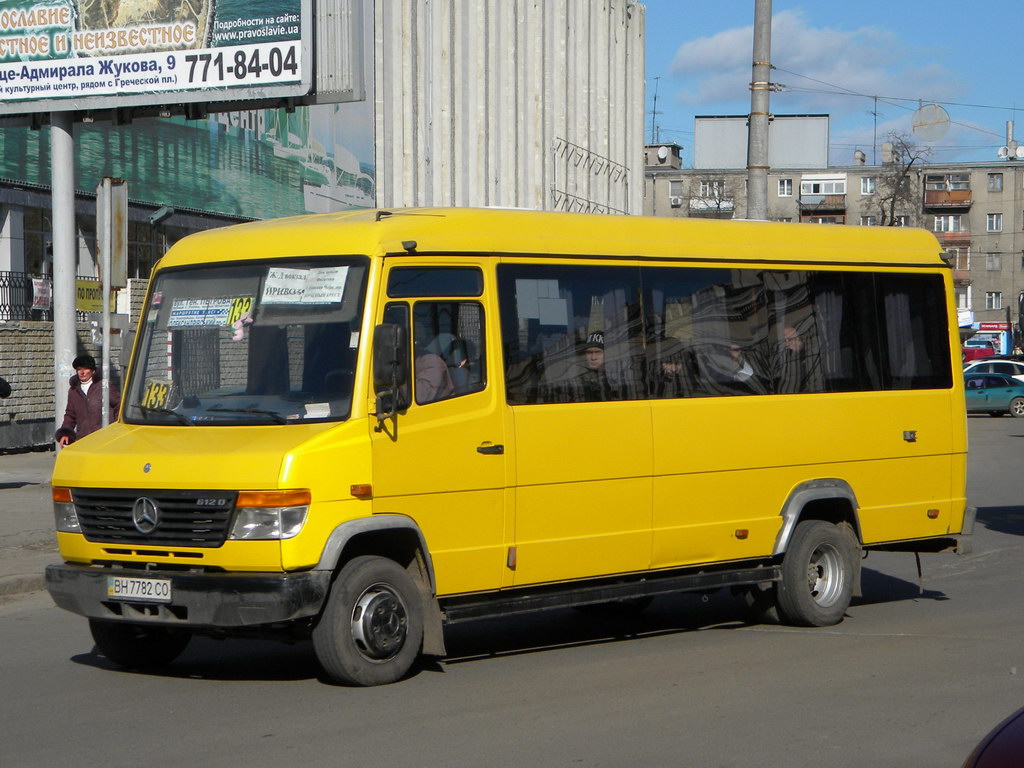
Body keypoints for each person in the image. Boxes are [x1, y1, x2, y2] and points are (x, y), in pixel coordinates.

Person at [55, 354, 121, 446]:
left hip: (105, 438)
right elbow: (70, 415)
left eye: (85, 369)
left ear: (93, 371)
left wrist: (116, 428)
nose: (82, 372)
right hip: (83, 439)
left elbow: (119, 406)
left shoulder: (104, 386)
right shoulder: (73, 390)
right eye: (79, 369)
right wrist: (65, 433)